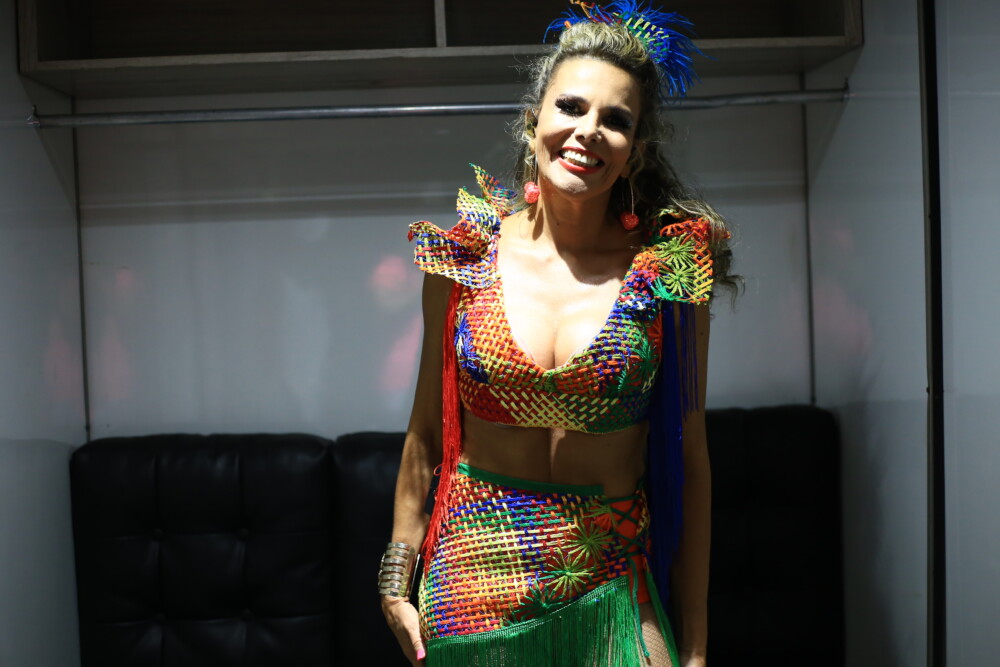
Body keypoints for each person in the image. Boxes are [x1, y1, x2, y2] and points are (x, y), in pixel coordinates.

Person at [379, 2, 734, 665]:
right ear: (532, 120)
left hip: (610, 580)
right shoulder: (466, 259)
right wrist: (394, 579)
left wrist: (694, 646)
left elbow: (691, 464)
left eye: (616, 120)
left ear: (635, 152)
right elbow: (425, 431)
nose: (588, 130)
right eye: (571, 107)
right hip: (471, 587)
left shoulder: (668, 275)